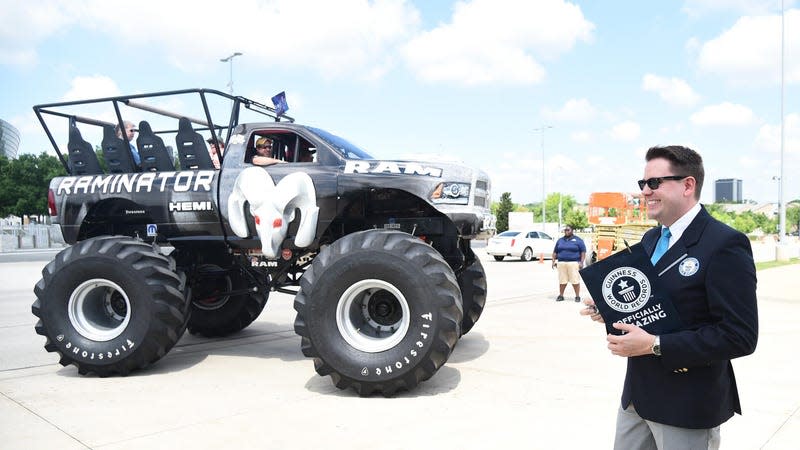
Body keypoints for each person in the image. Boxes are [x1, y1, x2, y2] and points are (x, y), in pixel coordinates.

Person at [580, 145, 758, 450]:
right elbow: (652, 305)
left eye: (654, 183)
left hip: (686, 404)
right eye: (643, 184)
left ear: (688, 185)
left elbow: (739, 336)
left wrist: (654, 344)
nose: (645, 192)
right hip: (637, 398)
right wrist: (610, 310)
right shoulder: (650, 239)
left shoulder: (724, 244)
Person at [551, 226, 585, 302]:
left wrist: (581, 262)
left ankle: (577, 296)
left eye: (568, 230)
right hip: (561, 263)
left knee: (575, 281)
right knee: (562, 281)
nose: (566, 231)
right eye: (565, 230)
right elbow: (555, 251)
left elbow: (583, 252)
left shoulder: (578, 240)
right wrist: (553, 261)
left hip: (573, 263)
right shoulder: (560, 240)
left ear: (572, 230)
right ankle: (561, 295)